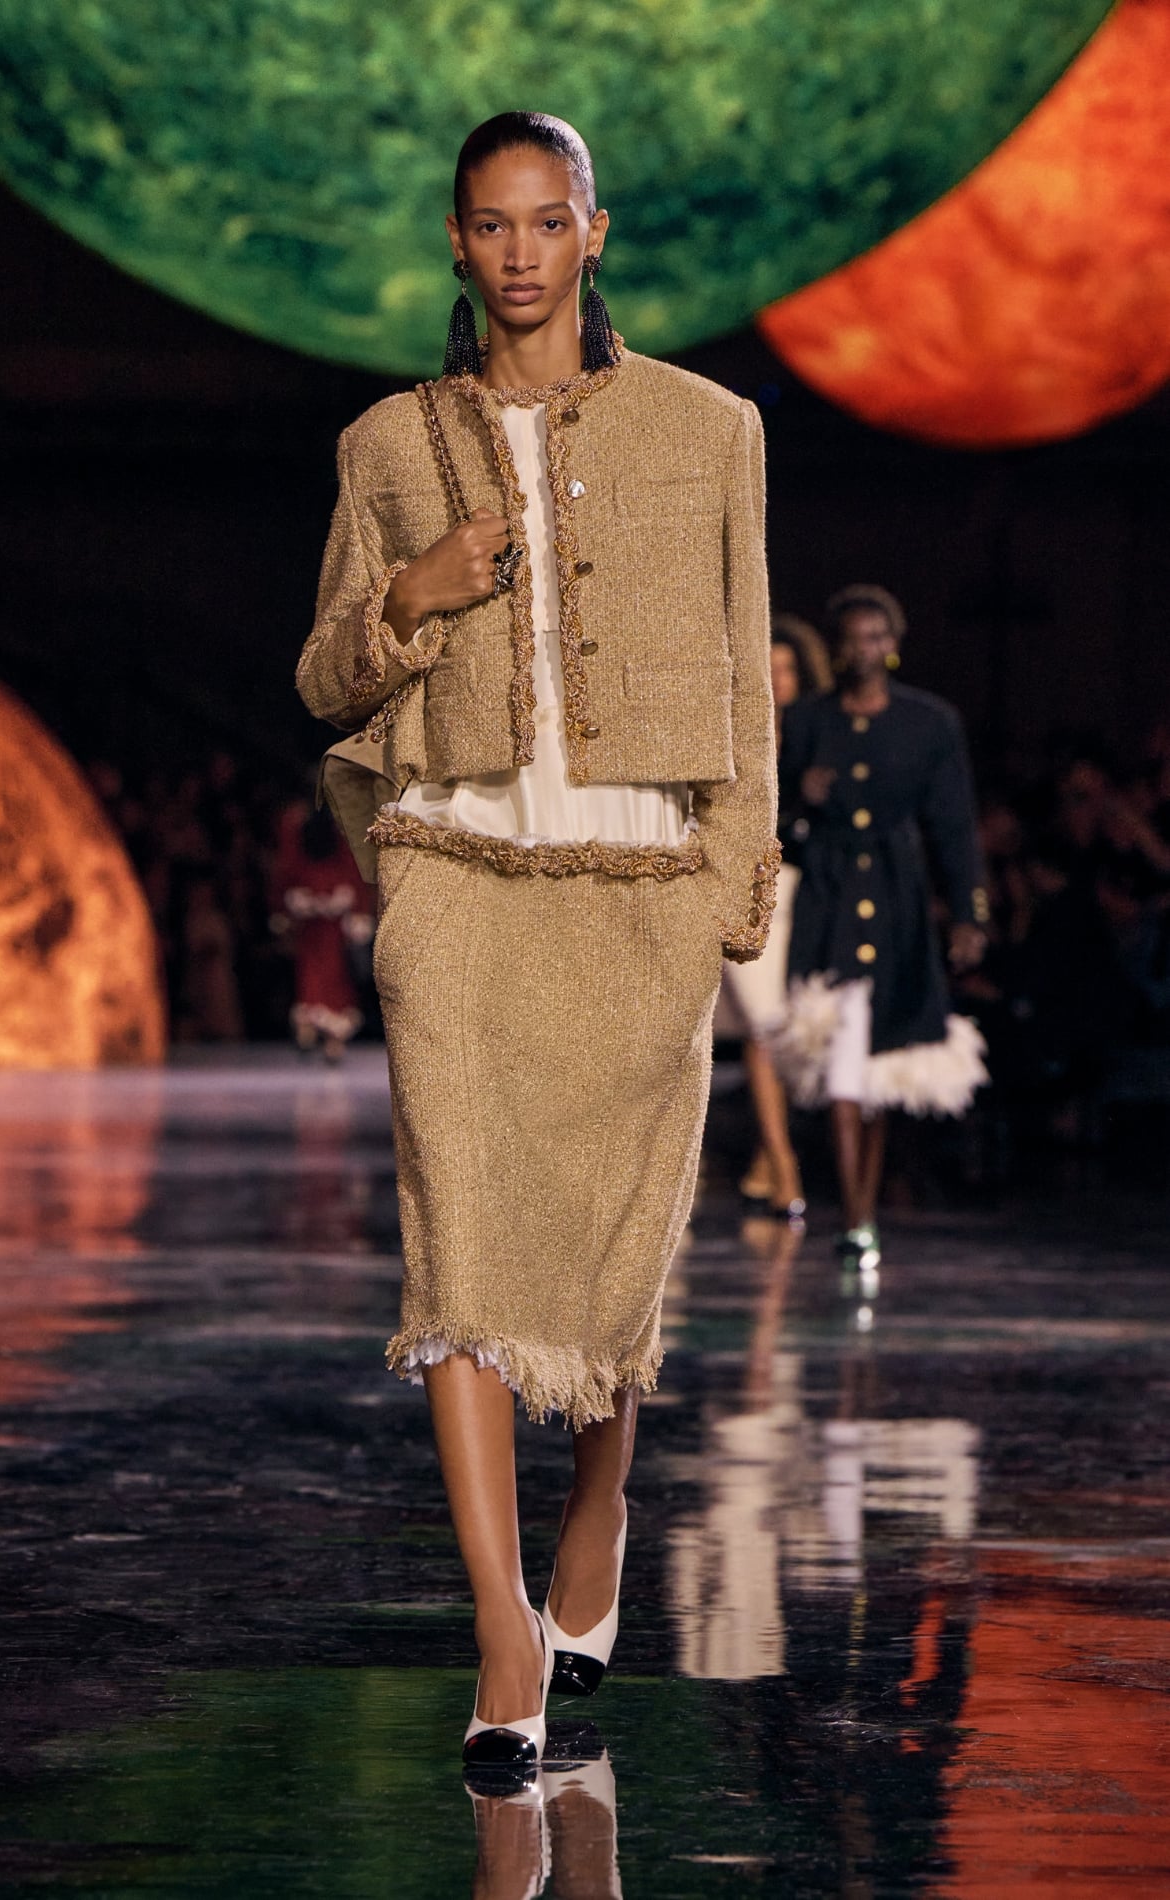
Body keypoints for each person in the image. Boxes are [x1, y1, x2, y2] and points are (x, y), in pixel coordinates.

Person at [296, 112, 777, 1779]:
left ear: (592, 234)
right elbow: (323, 686)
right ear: (453, 243)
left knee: (594, 1265)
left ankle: (601, 1502)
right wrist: (416, 592)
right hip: (458, 888)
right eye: (486, 225)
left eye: (544, 221)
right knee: (463, 1268)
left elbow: (735, 687)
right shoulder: (384, 445)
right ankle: (501, 1625)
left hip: (635, 896)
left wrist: (728, 887)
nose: (516, 251)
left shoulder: (707, 434)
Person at [772, 587, 989, 1270]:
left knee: (882, 1066)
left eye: (874, 637)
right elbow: (772, 822)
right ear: (836, 648)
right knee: (839, 1058)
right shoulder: (808, 720)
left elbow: (954, 826)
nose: (862, 650)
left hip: (896, 900)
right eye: (851, 638)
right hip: (830, 900)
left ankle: (862, 1206)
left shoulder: (930, 724)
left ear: (891, 643)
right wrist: (800, 801)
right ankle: (856, 1215)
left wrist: (969, 912)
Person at [718, 615, 832, 1220]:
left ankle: (769, 1157)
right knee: (765, 1026)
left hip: (804, 891)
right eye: (769, 666)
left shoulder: (821, 733)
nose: (778, 678)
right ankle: (784, 1163)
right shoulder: (736, 734)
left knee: (789, 1026)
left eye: (787, 667)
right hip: (746, 883)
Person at [272, 792, 373, 1061]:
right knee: (313, 978)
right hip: (315, 928)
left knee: (331, 979)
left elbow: (351, 872)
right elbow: (288, 867)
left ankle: (329, 1037)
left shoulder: (334, 838)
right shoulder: (301, 838)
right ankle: (318, 1033)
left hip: (331, 930)